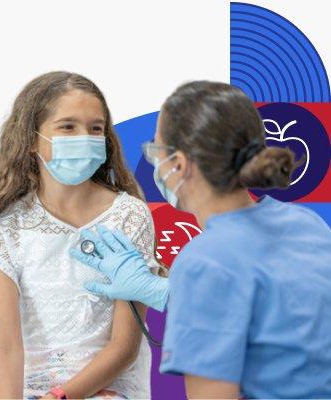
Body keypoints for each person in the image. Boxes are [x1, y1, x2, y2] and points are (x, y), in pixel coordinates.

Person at [70, 81, 331, 398]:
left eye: (157, 152)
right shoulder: (307, 224)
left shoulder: (203, 262)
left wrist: (187, 288)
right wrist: (172, 293)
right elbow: (278, 316)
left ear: (178, 164)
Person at [0, 71, 162, 399]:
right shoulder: (5, 232)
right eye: (68, 126)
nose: (83, 136)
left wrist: (59, 397)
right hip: (20, 383)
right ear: (31, 139)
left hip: (105, 383)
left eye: (95, 128)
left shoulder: (128, 217)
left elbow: (125, 346)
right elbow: (8, 347)